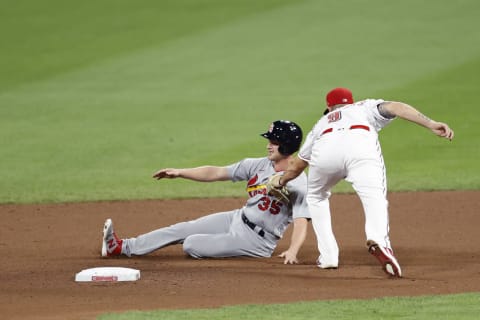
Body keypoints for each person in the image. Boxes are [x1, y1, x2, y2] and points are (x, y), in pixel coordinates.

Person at [268, 88, 454, 277]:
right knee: (375, 197)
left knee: (316, 197)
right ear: (350, 102)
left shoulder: (321, 123)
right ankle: (379, 242)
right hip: (360, 152)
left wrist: (281, 180)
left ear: (329, 107)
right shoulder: (364, 107)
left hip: (325, 152)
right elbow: (397, 107)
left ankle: (329, 257)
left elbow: (298, 165)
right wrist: (430, 123)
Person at [101, 120, 311, 264]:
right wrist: (180, 172)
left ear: (286, 146)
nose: (268, 146)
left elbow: (302, 220)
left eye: (273, 142)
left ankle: (233, 248)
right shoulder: (258, 165)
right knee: (181, 229)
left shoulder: (299, 183)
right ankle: (121, 247)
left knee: (191, 244)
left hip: (257, 241)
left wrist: (293, 250)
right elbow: (217, 172)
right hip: (237, 218)